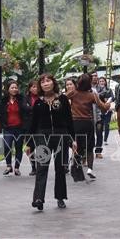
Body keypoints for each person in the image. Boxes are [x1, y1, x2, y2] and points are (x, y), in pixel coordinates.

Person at [30, 73, 75, 211]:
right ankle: (38, 198)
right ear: (40, 86)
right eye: (42, 82)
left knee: (60, 168)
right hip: (42, 136)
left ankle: (60, 197)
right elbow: (33, 123)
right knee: (41, 167)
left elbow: (69, 120)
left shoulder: (62, 99)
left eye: (48, 81)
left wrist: (73, 140)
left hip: (61, 135)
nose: (45, 84)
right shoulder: (38, 102)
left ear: (53, 83)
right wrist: (30, 143)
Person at [66, 74, 110, 179]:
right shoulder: (92, 95)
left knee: (77, 146)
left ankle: (76, 167)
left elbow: (61, 99)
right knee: (90, 147)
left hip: (75, 122)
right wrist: (108, 104)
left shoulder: (73, 93)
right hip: (87, 123)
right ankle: (90, 169)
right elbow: (103, 108)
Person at [0, 80, 28, 176]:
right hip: (8, 128)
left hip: (19, 128)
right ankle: (9, 166)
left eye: (16, 87)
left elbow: (26, 112)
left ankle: (17, 168)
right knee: (7, 146)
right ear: (8, 89)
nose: (14, 89)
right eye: (12, 87)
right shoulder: (3, 100)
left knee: (18, 148)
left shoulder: (21, 99)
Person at [23, 79, 40, 175]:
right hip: (29, 126)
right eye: (33, 87)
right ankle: (33, 167)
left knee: (40, 146)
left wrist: (32, 108)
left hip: (39, 126)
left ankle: (40, 165)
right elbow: (24, 107)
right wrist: (36, 108)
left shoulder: (41, 97)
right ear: (29, 88)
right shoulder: (25, 98)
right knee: (30, 147)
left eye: (37, 86)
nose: (35, 88)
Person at [95, 76, 114, 156]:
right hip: (97, 112)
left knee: (103, 128)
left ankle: (99, 150)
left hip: (107, 111)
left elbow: (112, 97)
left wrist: (108, 101)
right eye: (100, 81)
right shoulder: (95, 90)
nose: (102, 82)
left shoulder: (109, 90)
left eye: (103, 81)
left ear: (105, 82)